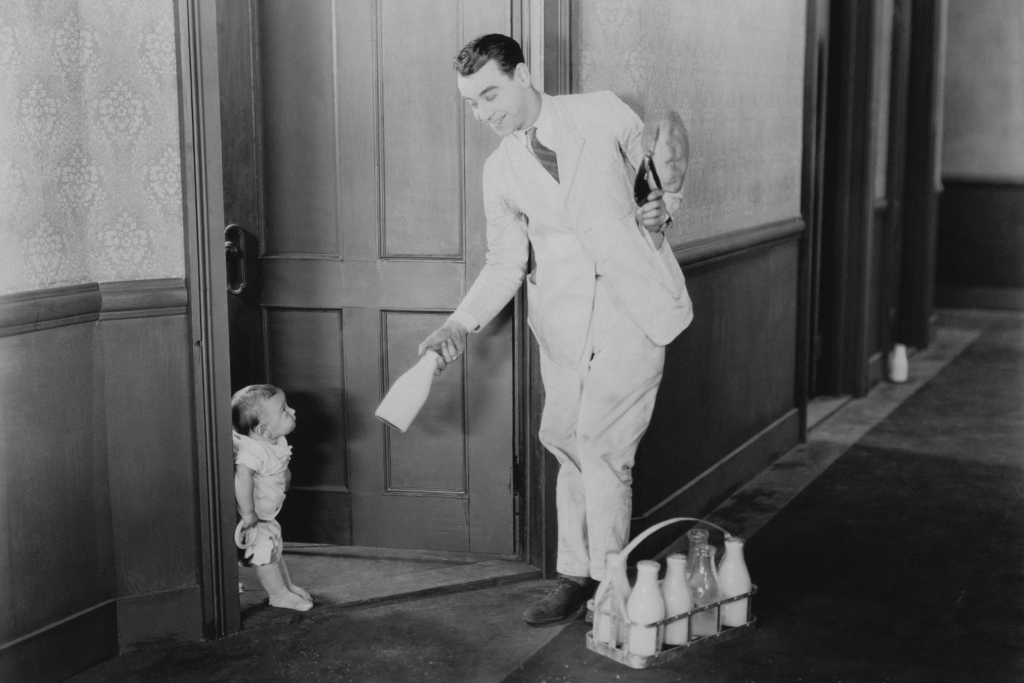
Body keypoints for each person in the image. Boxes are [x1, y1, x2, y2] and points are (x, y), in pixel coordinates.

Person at [418, 34, 693, 625]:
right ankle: (576, 575)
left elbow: (658, 177)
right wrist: (458, 322)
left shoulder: (602, 111)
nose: (483, 112)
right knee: (566, 439)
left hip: (633, 304)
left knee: (602, 443)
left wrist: (662, 207)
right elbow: (505, 262)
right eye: (471, 103)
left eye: (490, 94)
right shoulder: (500, 170)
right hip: (564, 319)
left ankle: (613, 586)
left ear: (522, 75)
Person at [232, 384, 313, 612]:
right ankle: (278, 595)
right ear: (264, 431)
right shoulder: (252, 452)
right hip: (252, 519)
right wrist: (248, 513)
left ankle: (285, 586)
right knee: (264, 554)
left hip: (267, 516)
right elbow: (242, 477)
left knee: (274, 550)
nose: (292, 411)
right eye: (284, 410)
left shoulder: (275, 440)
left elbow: (279, 464)